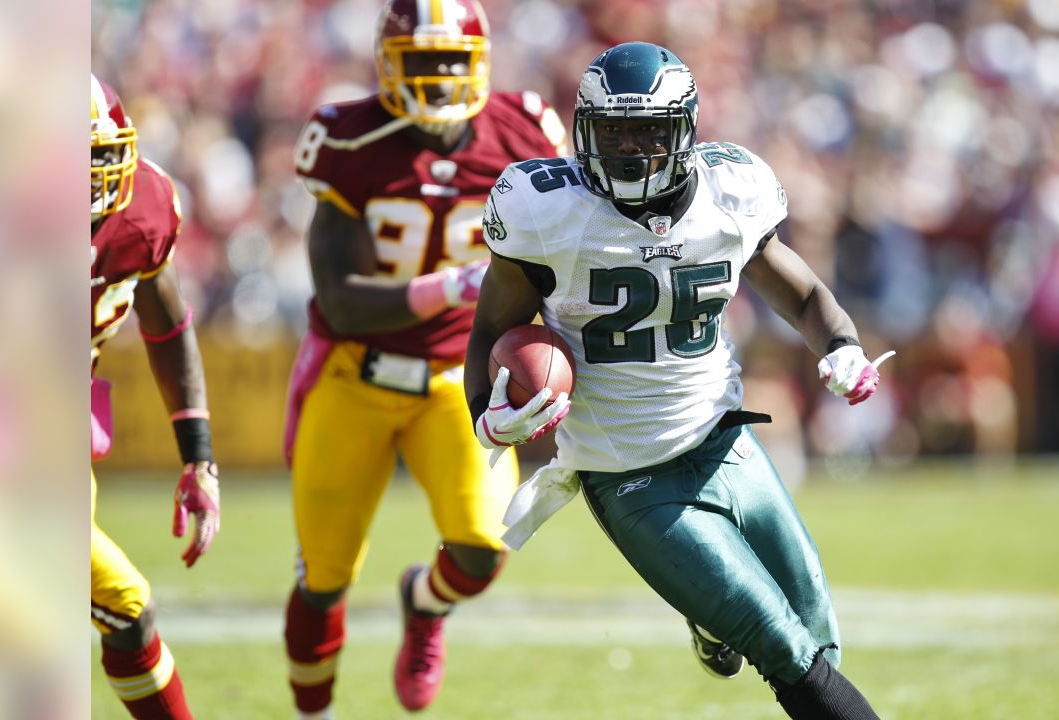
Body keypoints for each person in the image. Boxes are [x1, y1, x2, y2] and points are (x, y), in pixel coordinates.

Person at [465, 43, 887, 719]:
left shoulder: (731, 191)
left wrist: (842, 346)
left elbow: (803, 296)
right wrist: (487, 416)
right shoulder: (546, 211)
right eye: (613, 131)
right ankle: (718, 614)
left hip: (725, 442)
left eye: (648, 131)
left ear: (685, 131)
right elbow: (490, 331)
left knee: (816, 632)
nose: (630, 148)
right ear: (584, 132)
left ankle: (708, 618)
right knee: (784, 648)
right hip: (627, 470)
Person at [282, 0, 568, 716]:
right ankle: (310, 708)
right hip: (356, 372)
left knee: (481, 546)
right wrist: (456, 284)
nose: (439, 78)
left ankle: (424, 604)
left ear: (481, 61)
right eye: (422, 62)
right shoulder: (347, 138)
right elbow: (343, 300)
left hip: (454, 378)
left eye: (452, 61)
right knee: (323, 576)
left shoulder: (524, 129)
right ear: (387, 65)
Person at [90, 73, 221, 720]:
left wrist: (197, 455)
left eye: (95, 160)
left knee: (126, 612)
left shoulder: (141, 209)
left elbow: (165, 320)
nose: (84, 183)